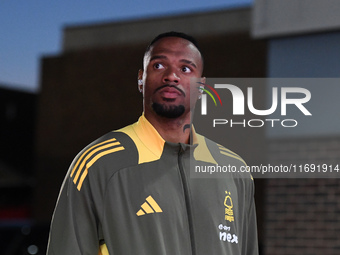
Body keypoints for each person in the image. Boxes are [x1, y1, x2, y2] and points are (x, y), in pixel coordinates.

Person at [47, 31, 258, 255]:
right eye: (158, 66)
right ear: (141, 79)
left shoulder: (235, 171)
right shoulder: (97, 164)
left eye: (185, 69)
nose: (172, 76)